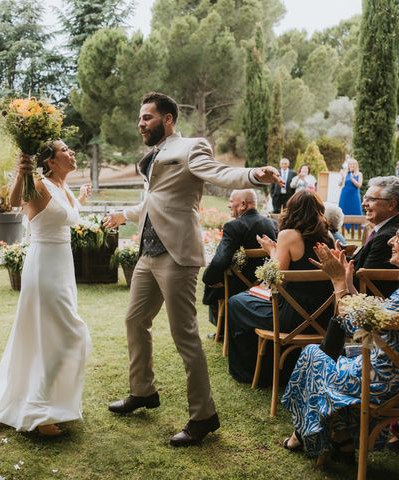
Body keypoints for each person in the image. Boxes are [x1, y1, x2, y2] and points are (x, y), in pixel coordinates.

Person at [103, 92, 282, 447]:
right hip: (147, 255)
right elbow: (154, 201)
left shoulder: (189, 148)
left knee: (184, 336)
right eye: (140, 117)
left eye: (148, 117)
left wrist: (254, 174)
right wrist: (124, 215)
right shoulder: (152, 157)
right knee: (134, 321)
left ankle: (204, 416)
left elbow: (219, 172)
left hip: (177, 255)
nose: (141, 123)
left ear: (168, 119)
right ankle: (142, 391)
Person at [0, 140, 92, 437]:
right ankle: (39, 412)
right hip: (45, 266)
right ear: (49, 161)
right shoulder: (39, 183)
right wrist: (21, 170)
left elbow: (67, 216)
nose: (71, 153)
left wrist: (81, 199)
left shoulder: (64, 188)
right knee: (69, 334)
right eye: (65, 150)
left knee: (51, 335)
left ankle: (47, 404)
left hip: (63, 267)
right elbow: (13, 202)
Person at [281, 241, 399, 461]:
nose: (391, 241)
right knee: (329, 358)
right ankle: (340, 438)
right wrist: (348, 284)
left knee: (313, 355)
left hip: (380, 384)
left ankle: (304, 434)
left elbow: (356, 327)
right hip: (390, 377)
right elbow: (378, 314)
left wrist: (338, 283)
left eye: (398, 238)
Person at [226, 190, 334, 385]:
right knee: (245, 300)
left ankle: (252, 372)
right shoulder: (329, 238)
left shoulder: (288, 235)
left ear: (292, 210)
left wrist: (272, 250)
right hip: (322, 319)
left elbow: (275, 278)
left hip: (290, 318)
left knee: (236, 302)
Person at [202, 189, 277, 327]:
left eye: (231, 201)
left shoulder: (233, 226)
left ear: (243, 204)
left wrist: (208, 279)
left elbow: (221, 260)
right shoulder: (272, 224)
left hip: (237, 286)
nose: (228, 205)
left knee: (212, 283)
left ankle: (223, 328)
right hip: (265, 284)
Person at [353, 176, 399, 297]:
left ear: (392, 204)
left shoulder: (387, 237)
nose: (364, 203)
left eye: (371, 199)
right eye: (364, 198)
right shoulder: (383, 229)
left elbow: (363, 284)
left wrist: (338, 272)